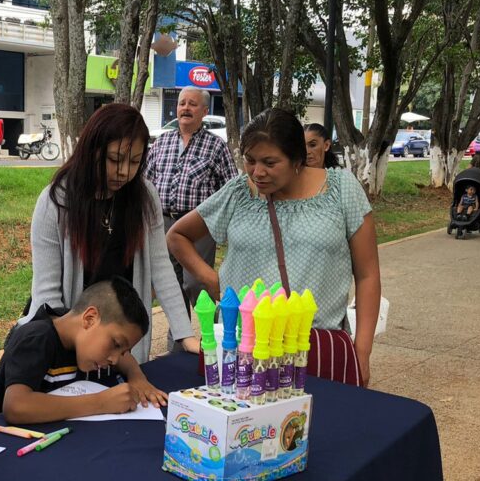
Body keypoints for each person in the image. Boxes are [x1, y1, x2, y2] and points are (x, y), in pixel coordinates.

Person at [167, 108, 381, 386]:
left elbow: (368, 276)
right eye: (250, 160)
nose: (258, 172)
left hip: (312, 347)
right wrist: (211, 279)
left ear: (297, 160)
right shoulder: (239, 192)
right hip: (242, 346)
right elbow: (177, 235)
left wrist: (361, 352)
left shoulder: (341, 190)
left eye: (270, 162)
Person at [24, 102, 198, 372]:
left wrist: (184, 334)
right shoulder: (55, 202)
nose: (124, 172)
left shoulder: (144, 197)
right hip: (73, 349)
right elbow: (47, 297)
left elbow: (161, 268)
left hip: (123, 350)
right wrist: (68, 352)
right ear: (92, 150)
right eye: (115, 159)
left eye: (135, 161)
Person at [0, 278, 154, 424]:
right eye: (116, 344)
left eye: (123, 351)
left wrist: (136, 377)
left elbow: (126, 360)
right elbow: (16, 406)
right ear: (90, 319)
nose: (115, 360)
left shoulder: (83, 338)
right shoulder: (36, 339)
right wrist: (101, 403)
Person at [144, 88, 236, 328]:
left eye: (192, 104)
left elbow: (230, 189)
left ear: (204, 111)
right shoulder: (161, 142)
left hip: (199, 226)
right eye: (182, 103)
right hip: (163, 223)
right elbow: (146, 181)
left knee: (196, 283)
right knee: (170, 287)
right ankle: (178, 345)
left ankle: (219, 328)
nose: (185, 108)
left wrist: (225, 227)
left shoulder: (216, 146)